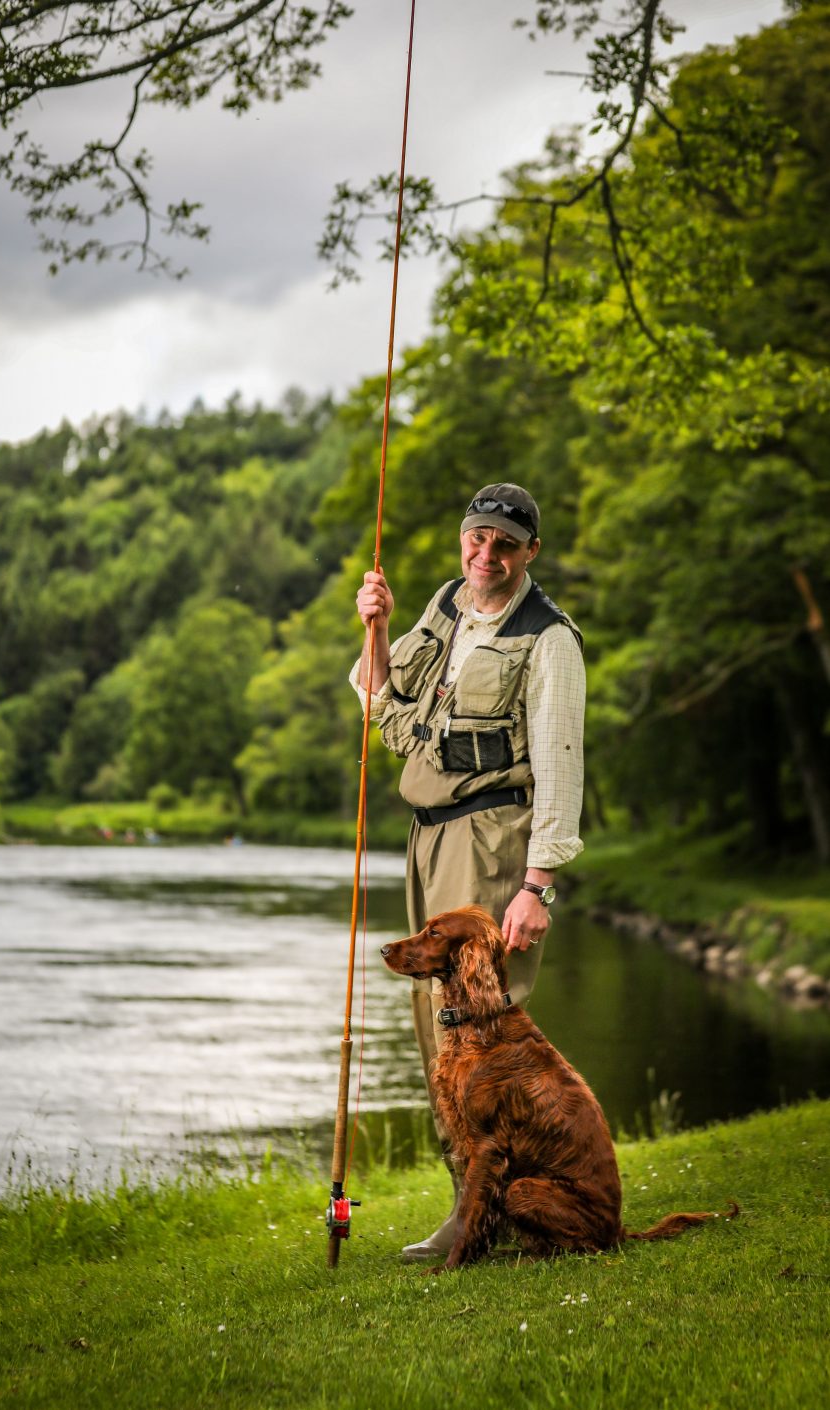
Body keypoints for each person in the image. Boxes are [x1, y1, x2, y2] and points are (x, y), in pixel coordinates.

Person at [351, 482, 585, 1261]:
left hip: (489, 839)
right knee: (437, 1024)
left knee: (481, 1026)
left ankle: (494, 1208)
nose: (487, 556)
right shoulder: (448, 601)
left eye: (505, 545)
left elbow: (558, 764)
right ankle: (476, 1203)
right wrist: (374, 628)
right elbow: (380, 696)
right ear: (464, 538)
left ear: (531, 554)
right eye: (477, 539)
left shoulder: (548, 639)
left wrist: (537, 884)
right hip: (427, 837)